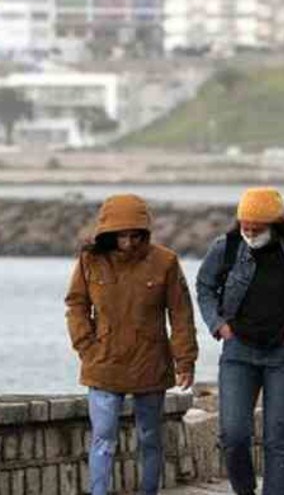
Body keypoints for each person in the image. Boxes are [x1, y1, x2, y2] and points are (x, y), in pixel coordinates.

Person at [194, 187, 284, 495]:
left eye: (256, 229)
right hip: (238, 352)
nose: (249, 234)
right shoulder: (226, 247)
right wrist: (218, 325)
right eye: (245, 227)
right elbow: (205, 285)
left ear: (274, 224)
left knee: (278, 437)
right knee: (233, 434)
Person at [65, 194, 199, 495]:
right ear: (108, 233)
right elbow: (76, 305)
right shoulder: (90, 260)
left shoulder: (165, 262)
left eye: (135, 235)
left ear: (144, 232)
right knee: (103, 438)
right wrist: (85, 345)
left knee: (149, 437)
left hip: (149, 362)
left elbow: (181, 314)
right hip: (102, 362)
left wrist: (185, 360)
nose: (128, 242)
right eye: (121, 235)